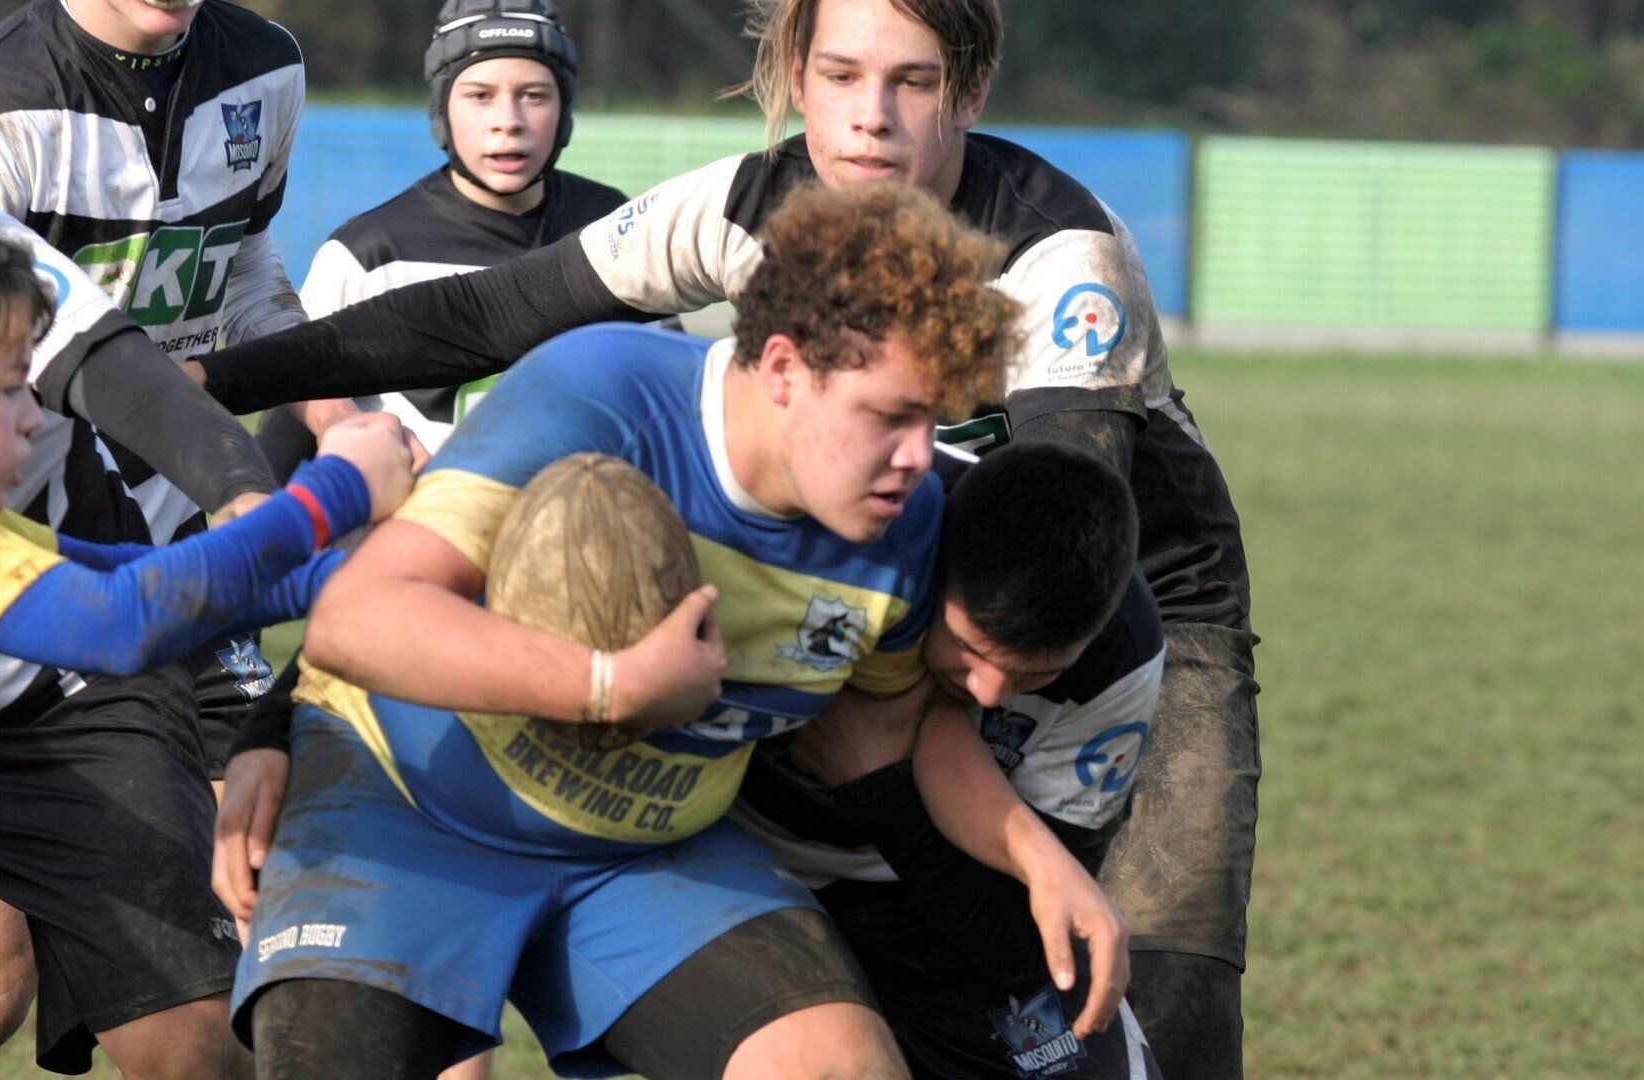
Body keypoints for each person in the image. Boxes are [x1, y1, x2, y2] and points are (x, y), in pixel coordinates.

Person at [184, 2, 1260, 1073]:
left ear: (970, 92)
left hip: (1094, 602)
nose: (870, 120)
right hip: (765, 624)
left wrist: (1038, 860)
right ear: (795, 74)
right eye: (841, 76)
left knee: (1150, 983)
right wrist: (201, 387)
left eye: (914, 83)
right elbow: (481, 329)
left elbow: (1054, 518)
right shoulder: (693, 286)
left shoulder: (1055, 272)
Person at [220, 183, 1128, 1079]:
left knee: (841, 1068)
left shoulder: (906, 524)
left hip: (647, 853)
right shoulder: (603, 394)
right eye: (891, 416)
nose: (919, 458)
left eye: (932, 421)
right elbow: (356, 617)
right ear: (782, 368)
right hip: (410, 801)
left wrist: (1038, 859)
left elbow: (901, 729)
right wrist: (607, 688)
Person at [0, 184, 413, 1078]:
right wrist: (335, 491)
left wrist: (387, 578)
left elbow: (130, 581)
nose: (41, 419)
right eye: (10, 390)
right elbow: (127, 624)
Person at [738, 440, 1167, 1078]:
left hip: (944, 906)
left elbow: (1019, 940)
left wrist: (876, 788)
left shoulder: (1121, 660)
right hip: (751, 870)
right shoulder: (860, 522)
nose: (989, 692)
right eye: (970, 649)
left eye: (1037, 673)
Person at [254, 0, 628, 473]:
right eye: (479, 95)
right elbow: (283, 445)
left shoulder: (615, 226)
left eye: (534, 94)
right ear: (441, 109)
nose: (508, 119)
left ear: (565, 107)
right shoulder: (368, 255)